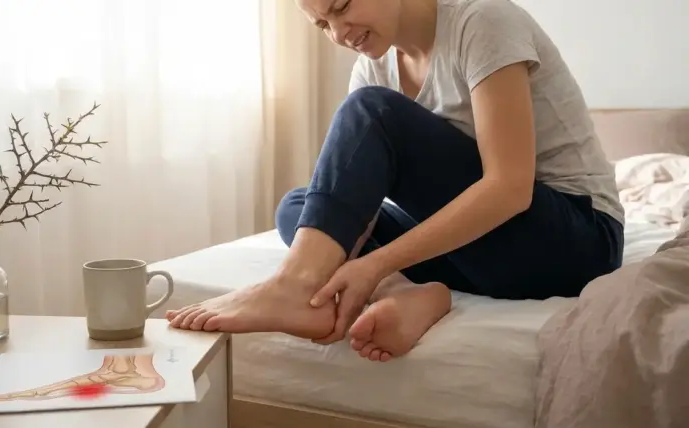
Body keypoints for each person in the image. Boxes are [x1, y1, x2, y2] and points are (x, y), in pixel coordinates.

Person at [166, 0, 625, 363]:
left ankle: (293, 285)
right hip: (480, 252)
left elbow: (509, 188)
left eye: (342, 6)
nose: (339, 34)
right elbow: (352, 196)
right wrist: (361, 262)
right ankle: (405, 292)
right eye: (323, 25)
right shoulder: (375, 66)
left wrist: (373, 264)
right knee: (303, 207)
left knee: (371, 112)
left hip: (574, 242)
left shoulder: (483, 21)